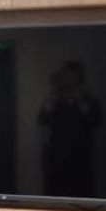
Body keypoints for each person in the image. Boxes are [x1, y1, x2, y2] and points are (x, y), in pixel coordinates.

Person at [38, 61, 101, 198]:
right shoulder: (55, 99)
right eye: (67, 77)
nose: (70, 81)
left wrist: (79, 98)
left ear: (79, 79)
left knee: (80, 194)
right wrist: (53, 96)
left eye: (73, 77)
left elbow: (95, 119)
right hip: (57, 158)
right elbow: (42, 119)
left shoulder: (87, 98)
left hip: (80, 159)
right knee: (56, 194)